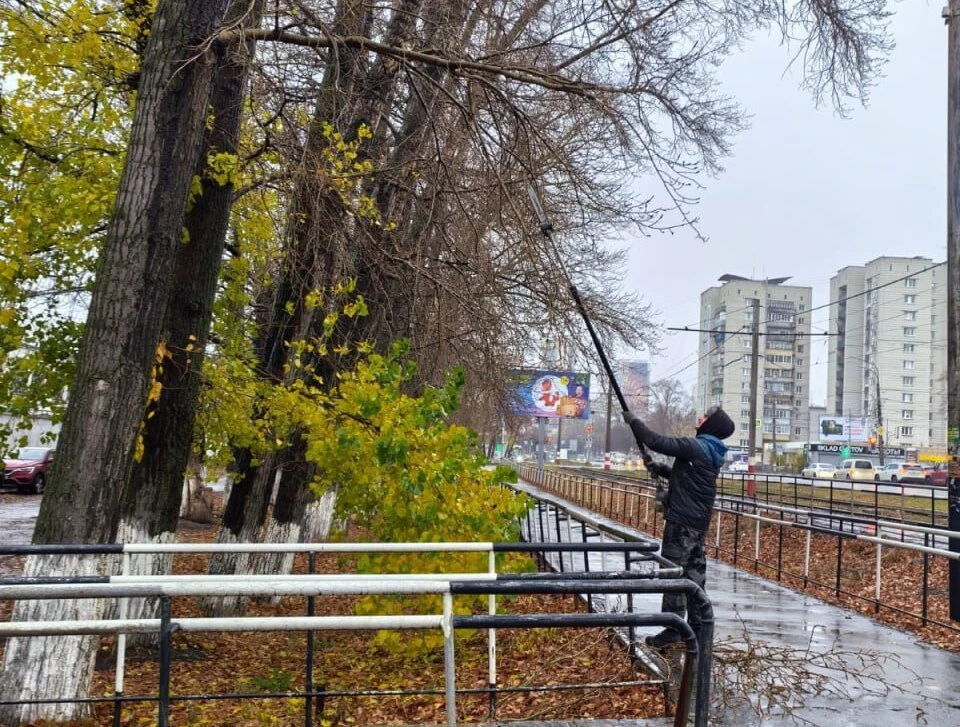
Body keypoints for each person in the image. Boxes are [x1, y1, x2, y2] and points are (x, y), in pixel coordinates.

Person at [623, 405, 735, 648]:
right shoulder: (712, 451)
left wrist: (634, 421)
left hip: (681, 523)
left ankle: (673, 629)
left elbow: (654, 441)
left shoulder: (696, 446)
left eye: (704, 416)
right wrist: (660, 469)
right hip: (697, 524)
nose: (699, 417)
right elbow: (687, 479)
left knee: (673, 574)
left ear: (711, 425)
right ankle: (699, 626)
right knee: (694, 576)